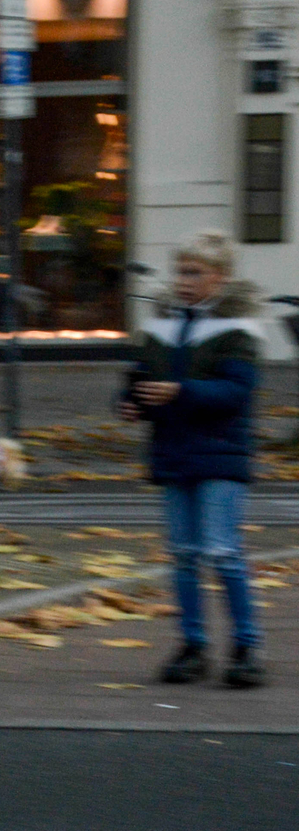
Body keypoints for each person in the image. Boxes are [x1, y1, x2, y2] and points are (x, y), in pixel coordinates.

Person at [120, 231, 264, 689]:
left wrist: (182, 392)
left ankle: (246, 647)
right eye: (180, 271)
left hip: (222, 457)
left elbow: (237, 392)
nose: (183, 280)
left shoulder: (237, 331)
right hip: (175, 453)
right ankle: (192, 645)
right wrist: (130, 404)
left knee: (223, 552)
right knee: (183, 555)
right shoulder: (159, 328)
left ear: (219, 279)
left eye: (194, 272)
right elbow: (138, 379)